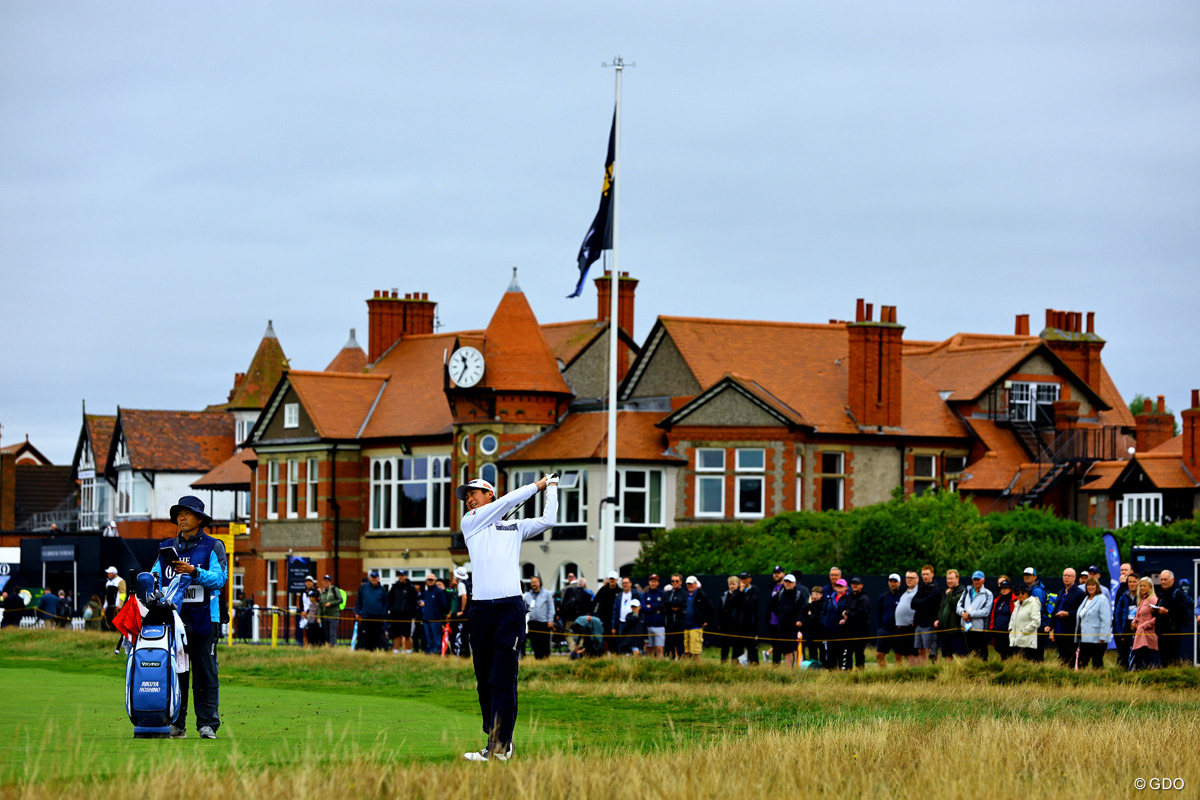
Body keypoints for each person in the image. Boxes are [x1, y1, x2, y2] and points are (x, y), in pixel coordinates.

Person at [458, 473, 557, 763]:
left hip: (508, 609)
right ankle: (497, 737)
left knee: (503, 678)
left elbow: (547, 520)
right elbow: (507, 501)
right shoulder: (471, 523)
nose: (469, 499)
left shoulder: (514, 526)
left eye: (474, 493)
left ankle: (500, 745)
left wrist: (550, 488)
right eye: (466, 497)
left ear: (489, 494)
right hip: (480, 610)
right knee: (484, 679)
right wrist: (535, 485)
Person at [150, 495, 228, 740]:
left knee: (205, 672)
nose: (181, 518)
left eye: (187, 513)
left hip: (207, 617)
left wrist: (194, 572)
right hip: (174, 619)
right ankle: (176, 723)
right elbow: (154, 577)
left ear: (200, 519)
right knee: (176, 673)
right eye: (179, 514)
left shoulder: (213, 546)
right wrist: (151, 587)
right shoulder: (165, 548)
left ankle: (207, 724)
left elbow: (219, 579)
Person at [1153, 570, 1191, 666]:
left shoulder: (1177, 594)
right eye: (1161, 579)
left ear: (1172, 580)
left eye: (1165, 579)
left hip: (1172, 634)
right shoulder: (1162, 594)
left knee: (1172, 661)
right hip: (1161, 633)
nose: (1163, 582)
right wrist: (1154, 610)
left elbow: (1184, 614)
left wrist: (1167, 612)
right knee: (1163, 661)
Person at [1074, 577, 1112, 669]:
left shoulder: (1102, 599)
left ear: (1097, 586)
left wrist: (1103, 636)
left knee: (1097, 663)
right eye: (1088, 585)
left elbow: (1106, 620)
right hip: (1084, 638)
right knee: (1082, 663)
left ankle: (1098, 682)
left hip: (1097, 639)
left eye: (1093, 585)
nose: (1090, 587)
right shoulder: (1086, 598)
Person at [1051, 568, 1086, 666]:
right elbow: (1055, 610)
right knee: (1061, 656)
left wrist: (1068, 614)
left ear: (1074, 578)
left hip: (1070, 630)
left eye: (1069, 576)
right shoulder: (1061, 592)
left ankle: (1071, 674)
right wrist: (1050, 626)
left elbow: (1081, 612)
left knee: (1070, 656)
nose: (1066, 578)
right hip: (1058, 629)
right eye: (1064, 575)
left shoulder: (1079, 593)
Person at [957, 570, 993, 660]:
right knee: (967, 654)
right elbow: (958, 606)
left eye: (978, 579)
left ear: (983, 580)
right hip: (966, 627)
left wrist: (969, 614)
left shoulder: (988, 594)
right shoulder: (967, 591)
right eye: (974, 579)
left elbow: (986, 611)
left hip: (979, 629)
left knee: (981, 655)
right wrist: (963, 613)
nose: (976, 582)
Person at [769, 574, 804, 668]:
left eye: (790, 582)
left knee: (797, 648)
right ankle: (790, 670)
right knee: (786, 649)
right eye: (786, 582)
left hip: (796, 627)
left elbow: (803, 609)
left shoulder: (799, 595)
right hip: (784, 626)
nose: (788, 584)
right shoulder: (780, 594)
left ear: (795, 583)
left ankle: (799, 668)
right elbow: (772, 604)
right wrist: (779, 614)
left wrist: (800, 620)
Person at [911, 565, 940, 665]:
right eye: (923, 574)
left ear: (932, 574)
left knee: (931, 649)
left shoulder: (936, 589)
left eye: (927, 574)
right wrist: (922, 603)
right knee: (920, 649)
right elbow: (913, 603)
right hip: (919, 623)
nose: (925, 576)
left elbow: (927, 603)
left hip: (929, 624)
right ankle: (924, 669)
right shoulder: (921, 587)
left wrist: (921, 602)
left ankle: (935, 668)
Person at [840, 577, 871, 670]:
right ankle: (847, 671)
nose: (855, 586)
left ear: (861, 585)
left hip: (860, 630)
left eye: (857, 584)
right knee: (847, 652)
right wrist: (845, 616)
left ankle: (860, 672)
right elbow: (846, 609)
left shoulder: (864, 598)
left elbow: (861, 613)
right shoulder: (850, 597)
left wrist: (848, 614)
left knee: (859, 653)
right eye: (853, 584)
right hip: (849, 630)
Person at [937, 569, 967, 661]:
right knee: (947, 654)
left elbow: (954, 602)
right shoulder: (947, 592)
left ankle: (963, 673)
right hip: (945, 629)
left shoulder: (962, 591)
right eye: (947, 579)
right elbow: (942, 608)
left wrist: (949, 594)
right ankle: (948, 673)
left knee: (960, 654)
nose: (949, 581)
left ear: (957, 579)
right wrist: (939, 620)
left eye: (951, 579)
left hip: (956, 629)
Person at [1130, 576, 1160, 670]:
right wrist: (1134, 622)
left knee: (1147, 660)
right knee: (1138, 659)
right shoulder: (1141, 600)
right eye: (1141, 586)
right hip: (1139, 634)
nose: (1142, 588)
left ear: (1150, 587)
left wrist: (1145, 625)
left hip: (1148, 635)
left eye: (1144, 586)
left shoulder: (1153, 599)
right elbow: (1138, 616)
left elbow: (1157, 618)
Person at [354, 571, 388, 651]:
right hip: (366, 616)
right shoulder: (364, 588)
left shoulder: (382, 589)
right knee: (364, 634)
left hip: (378, 617)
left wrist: (383, 613)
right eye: (372, 577)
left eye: (375, 578)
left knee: (378, 635)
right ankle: (362, 650)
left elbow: (386, 603)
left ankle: (380, 649)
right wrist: (358, 612)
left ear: (378, 578)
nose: (374, 579)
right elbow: (358, 601)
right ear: (370, 578)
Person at [387, 570, 418, 654]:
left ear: (405, 576)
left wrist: (409, 609)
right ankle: (396, 651)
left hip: (407, 616)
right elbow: (389, 599)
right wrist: (392, 608)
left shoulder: (411, 587)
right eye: (399, 575)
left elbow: (415, 601)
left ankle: (408, 652)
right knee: (396, 635)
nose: (401, 577)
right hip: (395, 615)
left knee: (407, 635)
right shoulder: (394, 587)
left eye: (402, 575)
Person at [681, 576, 713, 660]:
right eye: (688, 584)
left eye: (691, 584)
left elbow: (710, 608)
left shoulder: (700, 595)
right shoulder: (685, 595)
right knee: (686, 650)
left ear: (695, 584)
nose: (690, 585)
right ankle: (686, 668)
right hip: (685, 626)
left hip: (696, 626)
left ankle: (697, 667)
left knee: (695, 651)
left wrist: (705, 620)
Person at [524, 575, 555, 659]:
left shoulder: (547, 594)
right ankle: (537, 658)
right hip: (532, 622)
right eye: (532, 582)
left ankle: (545, 658)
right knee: (534, 642)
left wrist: (550, 620)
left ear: (539, 583)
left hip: (544, 622)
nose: (533, 584)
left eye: (535, 582)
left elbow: (551, 608)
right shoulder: (527, 595)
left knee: (544, 642)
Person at [1113, 572, 1139, 669]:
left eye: (1134, 582)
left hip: (1138, 628)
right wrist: (1121, 633)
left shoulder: (1142, 596)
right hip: (1126, 628)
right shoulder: (1124, 596)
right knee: (1124, 654)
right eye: (1130, 582)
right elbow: (1118, 615)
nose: (1132, 584)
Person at [610, 576, 643, 655]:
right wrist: (614, 626)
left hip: (633, 623)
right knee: (622, 643)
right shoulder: (619, 596)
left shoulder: (636, 594)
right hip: (622, 622)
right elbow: (615, 611)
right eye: (623, 583)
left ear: (630, 584)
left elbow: (641, 607)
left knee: (632, 643)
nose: (625, 585)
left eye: (626, 583)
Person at [821, 579, 850, 669]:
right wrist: (824, 622)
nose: (839, 588)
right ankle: (831, 671)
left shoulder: (849, 598)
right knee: (830, 652)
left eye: (841, 586)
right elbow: (824, 611)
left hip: (842, 630)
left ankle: (843, 671)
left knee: (842, 652)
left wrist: (846, 618)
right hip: (830, 629)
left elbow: (850, 611)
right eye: (838, 586)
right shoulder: (830, 598)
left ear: (846, 587)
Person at [876, 574, 903, 667]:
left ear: (899, 583)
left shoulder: (903, 596)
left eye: (895, 582)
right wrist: (879, 628)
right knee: (879, 654)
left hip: (897, 630)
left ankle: (898, 674)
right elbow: (878, 613)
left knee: (898, 655)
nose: (893, 584)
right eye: (891, 582)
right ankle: (884, 674)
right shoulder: (883, 596)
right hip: (884, 630)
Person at [891, 571, 918, 665]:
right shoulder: (904, 591)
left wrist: (915, 621)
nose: (909, 580)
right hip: (901, 627)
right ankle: (905, 672)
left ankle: (915, 673)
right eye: (907, 578)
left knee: (911, 653)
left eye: (912, 578)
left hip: (910, 626)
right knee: (901, 652)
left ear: (917, 579)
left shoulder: (919, 591)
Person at [733, 572, 760, 665]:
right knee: (737, 648)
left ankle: (754, 665)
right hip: (738, 625)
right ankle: (737, 666)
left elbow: (751, 604)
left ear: (749, 579)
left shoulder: (754, 590)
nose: (743, 581)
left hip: (750, 625)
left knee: (752, 648)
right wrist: (740, 592)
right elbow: (732, 602)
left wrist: (739, 604)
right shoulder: (737, 591)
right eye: (741, 579)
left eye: (745, 579)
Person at [1023, 567, 1050, 661]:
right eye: (1025, 575)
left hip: (1036, 626)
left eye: (1029, 575)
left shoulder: (1037, 591)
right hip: (1032, 625)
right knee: (1029, 653)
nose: (1026, 577)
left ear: (1035, 577)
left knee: (1035, 655)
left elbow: (1037, 609)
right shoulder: (1029, 589)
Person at [1008, 584, 1040, 660]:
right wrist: (1010, 629)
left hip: (1027, 642)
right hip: (1015, 641)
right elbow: (1012, 619)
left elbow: (1037, 621)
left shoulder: (1033, 604)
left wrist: (1024, 630)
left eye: (1023, 593)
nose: (1020, 595)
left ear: (1028, 593)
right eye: (1018, 593)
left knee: (1027, 665)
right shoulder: (1017, 604)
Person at [419, 574, 449, 655]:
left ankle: (437, 652)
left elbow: (444, 605)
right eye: (429, 580)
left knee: (436, 638)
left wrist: (438, 613)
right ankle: (430, 651)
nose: (430, 581)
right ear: (426, 582)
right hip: (426, 618)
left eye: (432, 580)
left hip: (435, 619)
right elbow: (422, 602)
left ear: (435, 581)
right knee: (428, 638)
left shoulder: (439, 591)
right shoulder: (426, 592)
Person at [592, 572, 621, 651]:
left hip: (615, 620)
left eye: (613, 579)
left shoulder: (619, 591)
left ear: (617, 580)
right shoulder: (603, 590)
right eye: (611, 579)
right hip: (603, 619)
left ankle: (614, 656)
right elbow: (594, 602)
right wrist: (591, 614)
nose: (612, 580)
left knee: (614, 641)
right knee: (603, 639)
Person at [640, 574, 667, 659]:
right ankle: (652, 666)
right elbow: (643, 608)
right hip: (648, 625)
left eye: (655, 581)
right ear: (649, 582)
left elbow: (662, 607)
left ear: (658, 583)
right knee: (650, 648)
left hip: (659, 625)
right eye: (651, 581)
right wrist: (656, 610)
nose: (653, 583)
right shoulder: (645, 594)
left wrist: (651, 606)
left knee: (659, 648)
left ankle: (660, 665)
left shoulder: (662, 594)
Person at [989, 578, 1016, 661]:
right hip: (997, 630)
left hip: (1008, 631)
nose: (1004, 590)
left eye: (1006, 588)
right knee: (999, 649)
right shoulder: (997, 600)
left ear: (1010, 589)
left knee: (1009, 652)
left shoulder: (1015, 600)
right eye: (1002, 588)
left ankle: (1009, 667)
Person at [718, 575, 742, 663]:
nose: (731, 586)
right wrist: (720, 623)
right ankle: (723, 662)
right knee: (724, 646)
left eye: (733, 584)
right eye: (730, 584)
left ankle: (735, 663)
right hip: (725, 625)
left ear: (738, 585)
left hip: (736, 625)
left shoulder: (740, 595)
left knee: (737, 646)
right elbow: (720, 610)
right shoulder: (724, 595)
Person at [766, 566, 787, 664]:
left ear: (783, 574)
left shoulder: (786, 586)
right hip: (772, 621)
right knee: (775, 645)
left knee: (784, 645)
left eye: (779, 572)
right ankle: (776, 665)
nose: (776, 574)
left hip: (782, 621)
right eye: (775, 572)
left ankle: (789, 665)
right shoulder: (771, 586)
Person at [664, 574, 687, 660]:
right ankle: (670, 659)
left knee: (679, 644)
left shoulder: (684, 593)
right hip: (668, 623)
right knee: (669, 644)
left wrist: (674, 606)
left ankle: (680, 660)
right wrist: (672, 607)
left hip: (679, 623)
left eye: (677, 581)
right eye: (673, 581)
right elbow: (663, 605)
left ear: (681, 582)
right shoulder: (667, 594)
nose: (675, 583)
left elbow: (683, 606)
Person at [450, 567, 472, 657]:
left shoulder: (461, 584)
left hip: (463, 615)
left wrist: (462, 610)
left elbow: (464, 597)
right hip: (469, 613)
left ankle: (462, 653)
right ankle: (466, 653)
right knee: (466, 635)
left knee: (461, 634)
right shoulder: (468, 584)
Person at [802, 585, 826, 663]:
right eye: (813, 594)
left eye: (816, 594)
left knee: (822, 651)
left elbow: (818, 617)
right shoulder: (810, 604)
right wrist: (809, 603)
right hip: (810, 633)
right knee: (812, 651)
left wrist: (810, 615)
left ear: (821, 595)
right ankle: (814, 666)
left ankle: (823, 666)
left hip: (820, 632)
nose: (814, 596)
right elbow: (804, 614)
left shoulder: (823, 604)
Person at [319, 575, 341, 647]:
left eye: (328, 581)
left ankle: (334, 648)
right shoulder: (322, 592)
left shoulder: (335, 589)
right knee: (326, 634)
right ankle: (329, 647)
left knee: (332, 634)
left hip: (333, 615)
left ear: (330, 582)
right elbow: (320, 605)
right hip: (325, 616)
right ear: (322, 582)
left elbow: (340, 600)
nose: (326, 582)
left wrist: (331, 603)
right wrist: (318, 617)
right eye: (325, 581)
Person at [102, 566, 126, 632]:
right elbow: (106, 596)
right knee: (110, 623)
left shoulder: (120, 581)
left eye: (109, 573)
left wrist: (120, 605)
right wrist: (104, 607)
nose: (108, 574)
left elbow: (123, 594)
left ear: (113, 573)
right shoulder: (108, 583)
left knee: (117, 624)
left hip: (116, 607)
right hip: (109, 606)